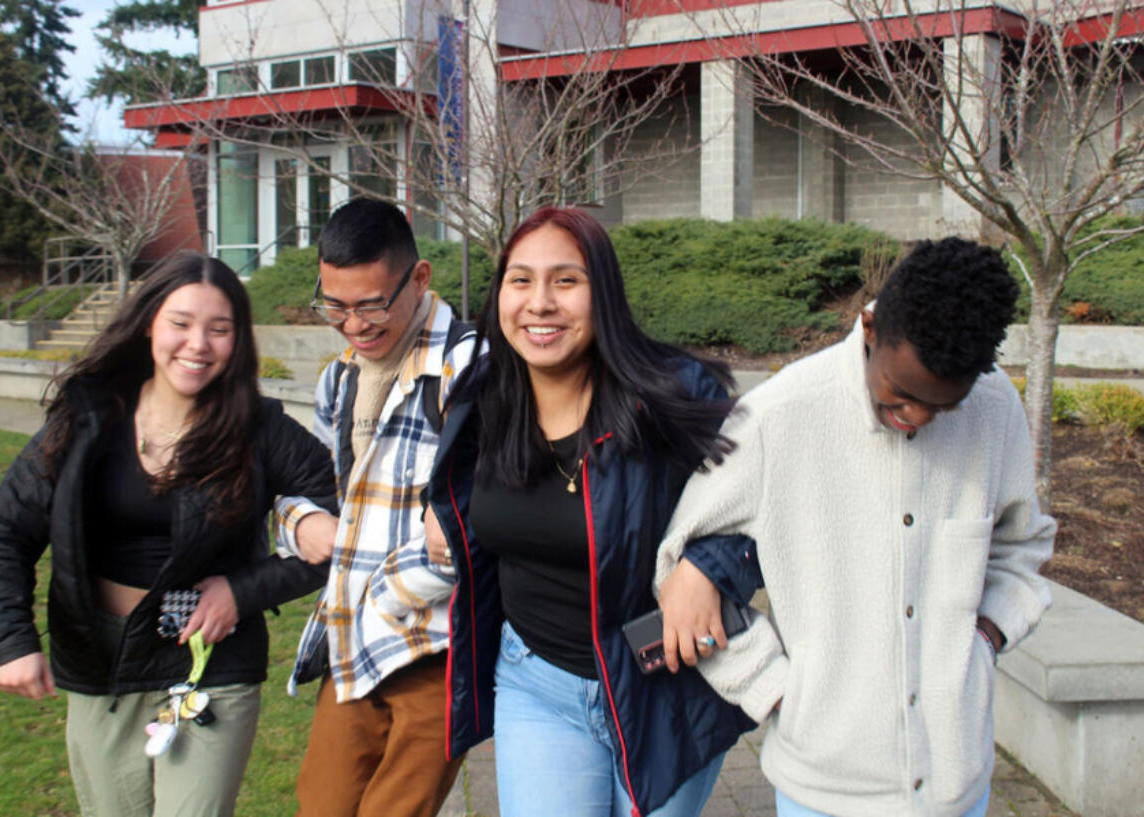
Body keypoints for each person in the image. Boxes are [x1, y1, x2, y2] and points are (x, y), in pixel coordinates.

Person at [654, 237, 1056, 817]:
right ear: (869, 329)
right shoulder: (778, 416)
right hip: (822, 792)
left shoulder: (995, 409)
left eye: (942, 406)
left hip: (959, 786)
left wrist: (987, 637)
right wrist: (772, 689)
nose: (916, 415)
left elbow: (1021, 545)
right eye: (902, 392)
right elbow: (675, 562)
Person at [0, 252, 338, 817]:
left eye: (219, 329)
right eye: (181, 323)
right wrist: (11, 641)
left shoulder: (260, 429)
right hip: (101, 661)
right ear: (149, 324)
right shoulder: (88, 419)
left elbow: (351, 526)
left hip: (208, 663)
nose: (198, 345)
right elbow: (3, 531)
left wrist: (244, 591)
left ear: (238, 340)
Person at [422, 206, 759, 817]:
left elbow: (762, 500)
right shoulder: (485, 396)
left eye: (566, 280)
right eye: (520, 280)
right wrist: (438, 510)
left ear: (602, 293)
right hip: (535, 680)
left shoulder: (675, 394)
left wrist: (710, 565)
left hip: (663, 684)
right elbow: (454, 481)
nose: (540, 302)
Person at [273, 197, 476, 817]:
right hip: (350, 638)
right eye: (334, 305)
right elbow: (317, 494)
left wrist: (386, 590)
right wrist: (296, 520)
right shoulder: (339, 378)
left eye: (370, 305)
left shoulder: (471, 367)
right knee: (322, 804)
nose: (353, 323)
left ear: (419, 279)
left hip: (433, 645)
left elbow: (477, 522)